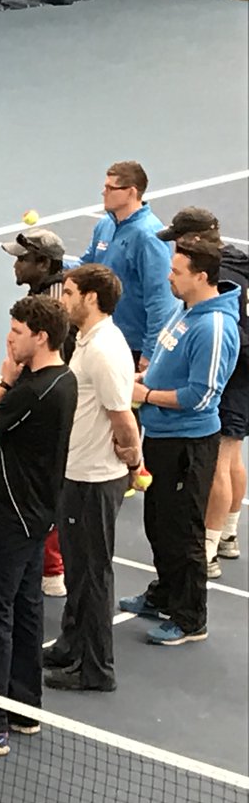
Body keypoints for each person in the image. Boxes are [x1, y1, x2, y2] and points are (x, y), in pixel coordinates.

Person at [0, 298, 77, 751]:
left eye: (16, 331)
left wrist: (2, 381)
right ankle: (22, 707)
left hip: (5, 519)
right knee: (25, 613)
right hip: (36, 518)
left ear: (40, 336)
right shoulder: (65, 379)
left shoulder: (32, 390)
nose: (9, 338)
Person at [124, 235, 241, 647]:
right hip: (161, 437)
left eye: (177, 272)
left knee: (183, 532)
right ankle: (165, 594)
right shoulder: (187, 310)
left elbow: (201, 395)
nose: (169, 277)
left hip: (187, 446)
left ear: (201, 276)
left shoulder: (213, 326)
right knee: (158, 524)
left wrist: (147, 396)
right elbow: (166, 363)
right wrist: (146, 378)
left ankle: (191, 618)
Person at [43, 266, 139, 693]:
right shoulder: (87, 341)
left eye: (69, 293)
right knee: (79, 568)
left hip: (94, 479)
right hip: (77, 472)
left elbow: (122, 417)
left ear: (92, 299)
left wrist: (133, 460)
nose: (63, 300)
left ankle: (97, 669)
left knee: (92, 574)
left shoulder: (103, 350)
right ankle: (70, 645)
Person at [155, 209, 249, 574]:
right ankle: (227, 533)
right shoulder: (238, 263)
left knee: (219, 462)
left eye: (179, 240)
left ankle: (206, 550)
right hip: (241, 370)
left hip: (228, 368)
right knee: (232, 452)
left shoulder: (212, 279)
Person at [2, 225, 76, 596]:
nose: (15, 266)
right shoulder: (42, 294)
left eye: (22, 259)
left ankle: (53, 569)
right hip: (37, 392)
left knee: (47, 483)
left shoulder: (55, 305)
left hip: (51, 401)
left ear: (44, 262)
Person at [80, 160, 176, 366]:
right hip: (103, 334)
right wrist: (54, 264)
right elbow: (87, 267)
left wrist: (150, 352)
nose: (103, 192)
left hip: (133, 346)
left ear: (131, 192)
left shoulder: (149, 237)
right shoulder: (105, 224)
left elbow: (160, 299)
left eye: (110, 188)